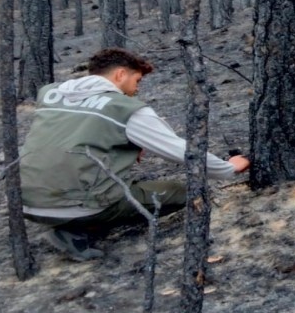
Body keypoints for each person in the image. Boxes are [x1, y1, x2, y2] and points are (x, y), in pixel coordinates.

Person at [20, 48, 250, 260]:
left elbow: (72, 134)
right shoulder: (125, 109)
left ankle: (68, 219)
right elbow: (182, 152)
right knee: (184, 192)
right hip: (80, 205)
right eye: (137, 80)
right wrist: (228, 168)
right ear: (120, 74)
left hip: (25, 202)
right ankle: (74, 230)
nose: (137, 89)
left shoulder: (50, 93)